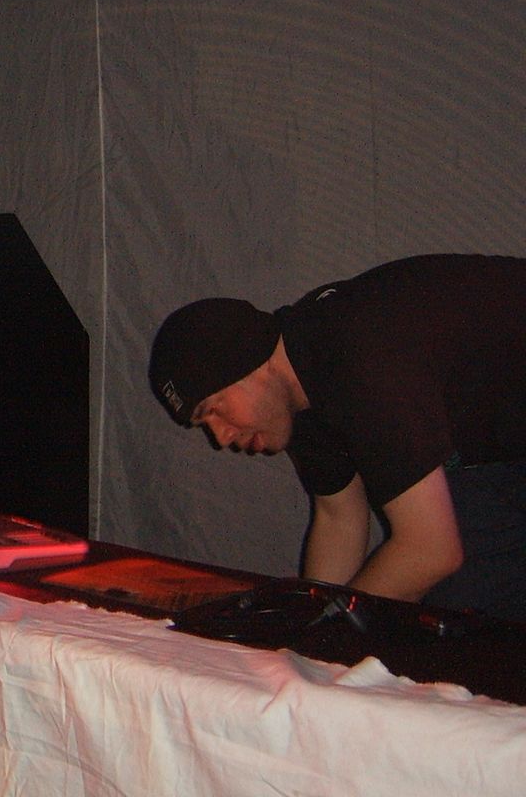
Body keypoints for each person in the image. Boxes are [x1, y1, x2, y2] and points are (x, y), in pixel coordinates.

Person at [148, 254, 526, 621]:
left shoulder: (359, 358)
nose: (220, 436)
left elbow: (430, 551)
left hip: (501, 449)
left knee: (455, 609)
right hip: (493, 453)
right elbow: (339, 518)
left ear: (249, 365)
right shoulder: (299, 385)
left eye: (213, 409)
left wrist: (323, 634)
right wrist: (305, 627)